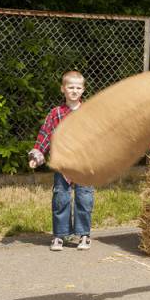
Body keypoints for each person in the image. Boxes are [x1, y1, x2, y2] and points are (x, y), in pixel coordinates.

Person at [28, 71, 95, 252]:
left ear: (83, 90)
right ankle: (59, 235)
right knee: (61, 198)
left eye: (78, 88)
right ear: (63, 89)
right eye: (70, 87)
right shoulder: (56, 113)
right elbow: (45, 134)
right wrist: (37, 155)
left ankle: (84, 235)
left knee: (84, 198)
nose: (74, 91)